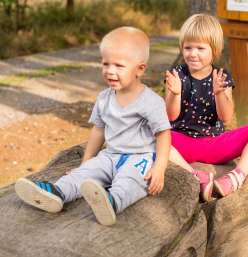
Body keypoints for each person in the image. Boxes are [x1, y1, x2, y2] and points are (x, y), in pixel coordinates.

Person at [15, 27, 171, 226]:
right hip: (110, 154)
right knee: (84, 174)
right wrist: (85, 163)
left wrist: (159, 167)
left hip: (140, 158)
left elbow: (164, 135)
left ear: (140, 69)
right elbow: (98, 130)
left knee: (130, 180)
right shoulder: (104, 98)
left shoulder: (151, 102)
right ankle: (58, 193)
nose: (110, 71)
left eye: (119, 65)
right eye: (106, 63)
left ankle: (111, 202)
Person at [165, 14, 248, 202]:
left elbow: (226, 115)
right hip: (182, 142)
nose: (193, 54)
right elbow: (171, 116)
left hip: (214, 144)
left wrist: (219, 93)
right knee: (150, 131)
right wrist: (175, 93)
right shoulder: (176, 75)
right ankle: (196, 176)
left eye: (200, 48)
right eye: (187, 47)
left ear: (214, 50)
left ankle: (236, 177)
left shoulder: (221, 76)